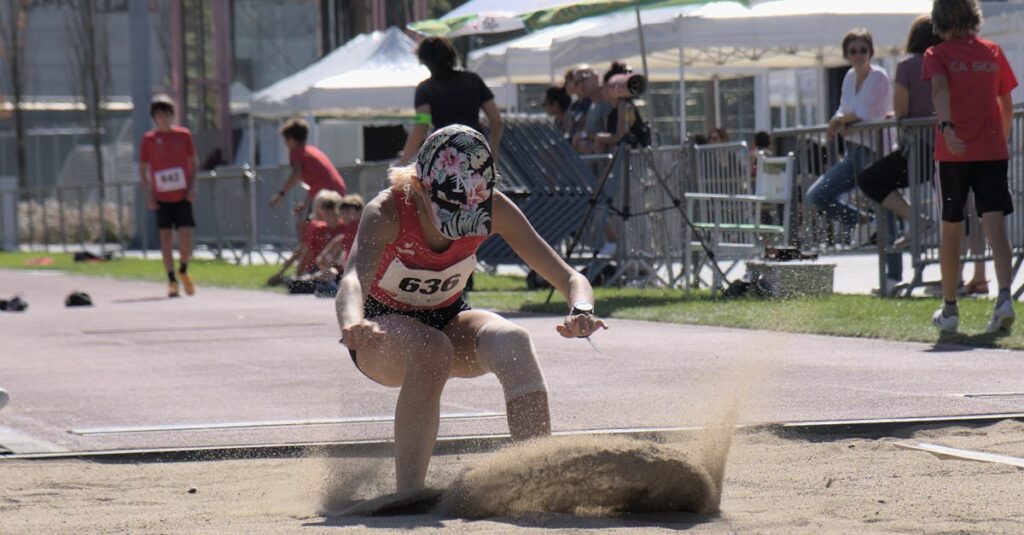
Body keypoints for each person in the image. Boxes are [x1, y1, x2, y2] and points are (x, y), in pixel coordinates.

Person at [338, 125, 607, 494]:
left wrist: (582, 309)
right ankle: (410, 492)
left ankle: (541, 477)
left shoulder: (494, 206)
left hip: (448, 320)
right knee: (432, 348)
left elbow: (570, 278)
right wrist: (353, 323)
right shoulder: (387, 211)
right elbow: (353, 279)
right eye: (449, 211)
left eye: (470, 211)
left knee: (513, 339)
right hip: (380, 332)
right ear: (419, 186)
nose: (456, 230)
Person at [924, 0, 1017, 333]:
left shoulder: (937, 54)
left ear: (939, 18)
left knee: (951, 227)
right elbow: (1006, 101)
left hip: (953, 154)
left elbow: (940, 88)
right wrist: (1001, 139)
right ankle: (1004, 297)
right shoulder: (992, 51)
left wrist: (947, 126)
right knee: (995, 226)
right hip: (992, 150)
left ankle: (950, 310)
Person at [855, 15, 944, 296]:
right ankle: (957, 277)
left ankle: (914, 218)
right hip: (949, 146)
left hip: (918, 148)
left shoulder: (907, 65)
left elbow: (903, 110)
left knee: (870, 179)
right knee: (957, 211)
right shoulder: (947, 61)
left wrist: (901, 116)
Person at [806, 29, 893, 234]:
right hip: (854, 152)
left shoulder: (879, 76)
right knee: (816, 196)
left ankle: (894, 261)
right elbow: (845, 109)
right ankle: (864, 224)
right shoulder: (849, 76)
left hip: (876, 153)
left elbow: (866, 112)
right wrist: (840, 120)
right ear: (846, 55)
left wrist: (838, 121)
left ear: (871, 52)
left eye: (863, 49)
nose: (858, 54)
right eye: (853, 51)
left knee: (885, 207)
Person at [400, 36, 503, 165]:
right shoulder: (473, 80)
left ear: (424, 61)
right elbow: (496, 120)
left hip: (445, 156)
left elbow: (421, 127)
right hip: (476, 152)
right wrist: (492, 149)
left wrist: (404, 160)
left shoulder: (426, 89)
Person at [139, 95, 198, 298]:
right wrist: (149, 195)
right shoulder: (148, 140)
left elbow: (194, 163)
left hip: (182, 196)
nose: (164, 119)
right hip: (161, 198)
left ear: (173, 115)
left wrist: (192, 187)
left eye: (167, 114)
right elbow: (143, 169)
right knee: (165, 238)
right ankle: (171, 279)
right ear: (154, 118)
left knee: (185, 236)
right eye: (160, 115)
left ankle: (183, 268)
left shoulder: (184, 136)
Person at [270, 118, 348, 241]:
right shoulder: (311, 150)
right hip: (336, 190)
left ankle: (308, 255)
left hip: (325, 194)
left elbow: (296, 174)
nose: (286, 145)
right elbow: (317, 182)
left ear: (291, 139)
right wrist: (306, 204)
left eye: (286, 141)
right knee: (329, 225)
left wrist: (280, 195)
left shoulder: (297, 152)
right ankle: (326, 254)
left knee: (306, 225)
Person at [267, 190, 346, 294]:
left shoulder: (346, 227)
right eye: (325, 207)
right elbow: (306, 251)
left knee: (331, 273)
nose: (329, 211)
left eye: (332, 207)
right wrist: (297, 274)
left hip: (338, 270)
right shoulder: (317, 227)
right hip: (318, 270)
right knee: (298, 284)